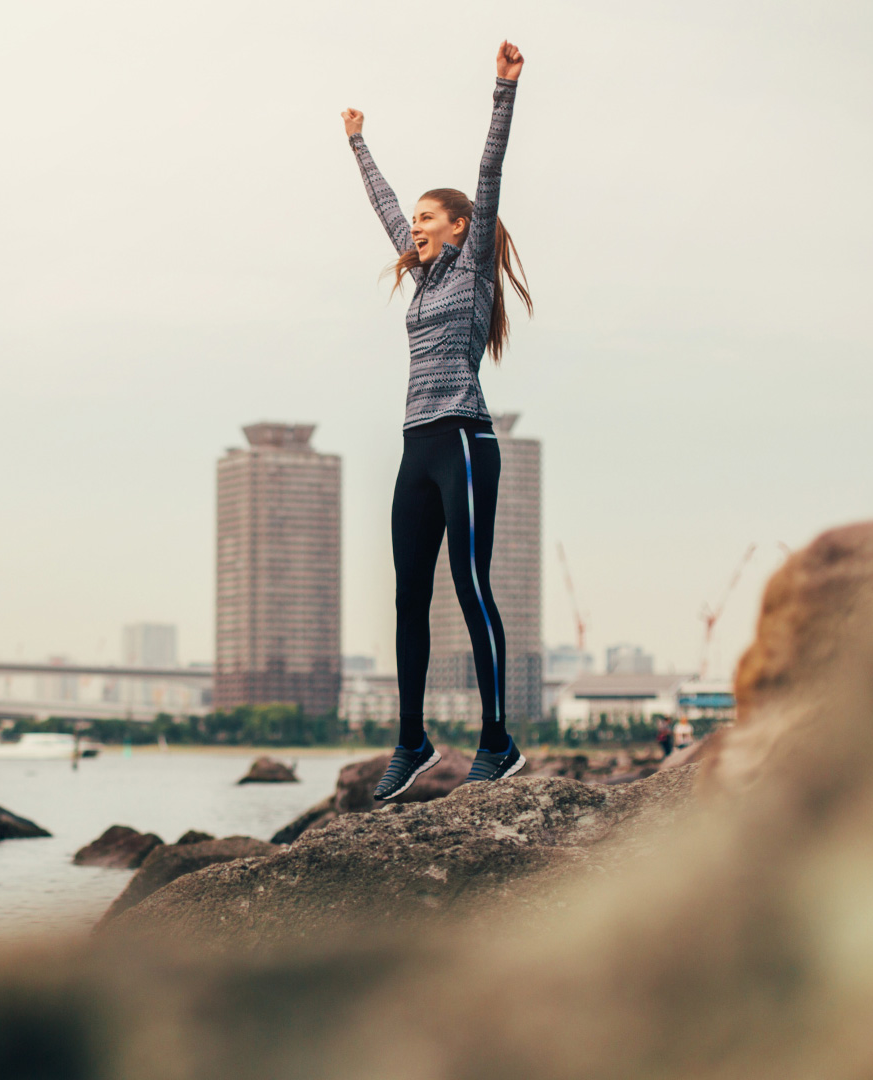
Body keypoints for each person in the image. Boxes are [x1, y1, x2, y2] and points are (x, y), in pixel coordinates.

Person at [351, 41, 536, 801]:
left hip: (462, 436)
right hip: (415, 446)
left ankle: (499, 739)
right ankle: (413, 741)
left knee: (467, 581)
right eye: (417, 220)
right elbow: (386, 204)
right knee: (405, 594)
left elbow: (487, 173)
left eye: (431, 219)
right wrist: (358, 141)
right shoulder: (421, 277)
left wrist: (502, 90)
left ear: (461, 228)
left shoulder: (469, 261)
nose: (415, 227)